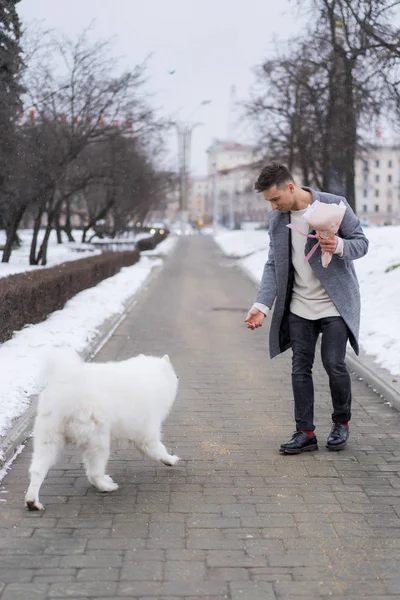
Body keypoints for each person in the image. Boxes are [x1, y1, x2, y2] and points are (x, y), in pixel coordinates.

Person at [245, 163, 368, 455]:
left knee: (333, 362)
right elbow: (274, 263)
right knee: (300, 367)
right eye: (269, 203)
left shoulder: (334, 205)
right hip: (300, 304)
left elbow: (361, 244)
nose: (273, 207)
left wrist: (336, 244)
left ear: (290, 187)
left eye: (275, 199)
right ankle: (305, 432)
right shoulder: (278, 221)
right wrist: (261, 305)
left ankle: (341, 424)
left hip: (335, 303)